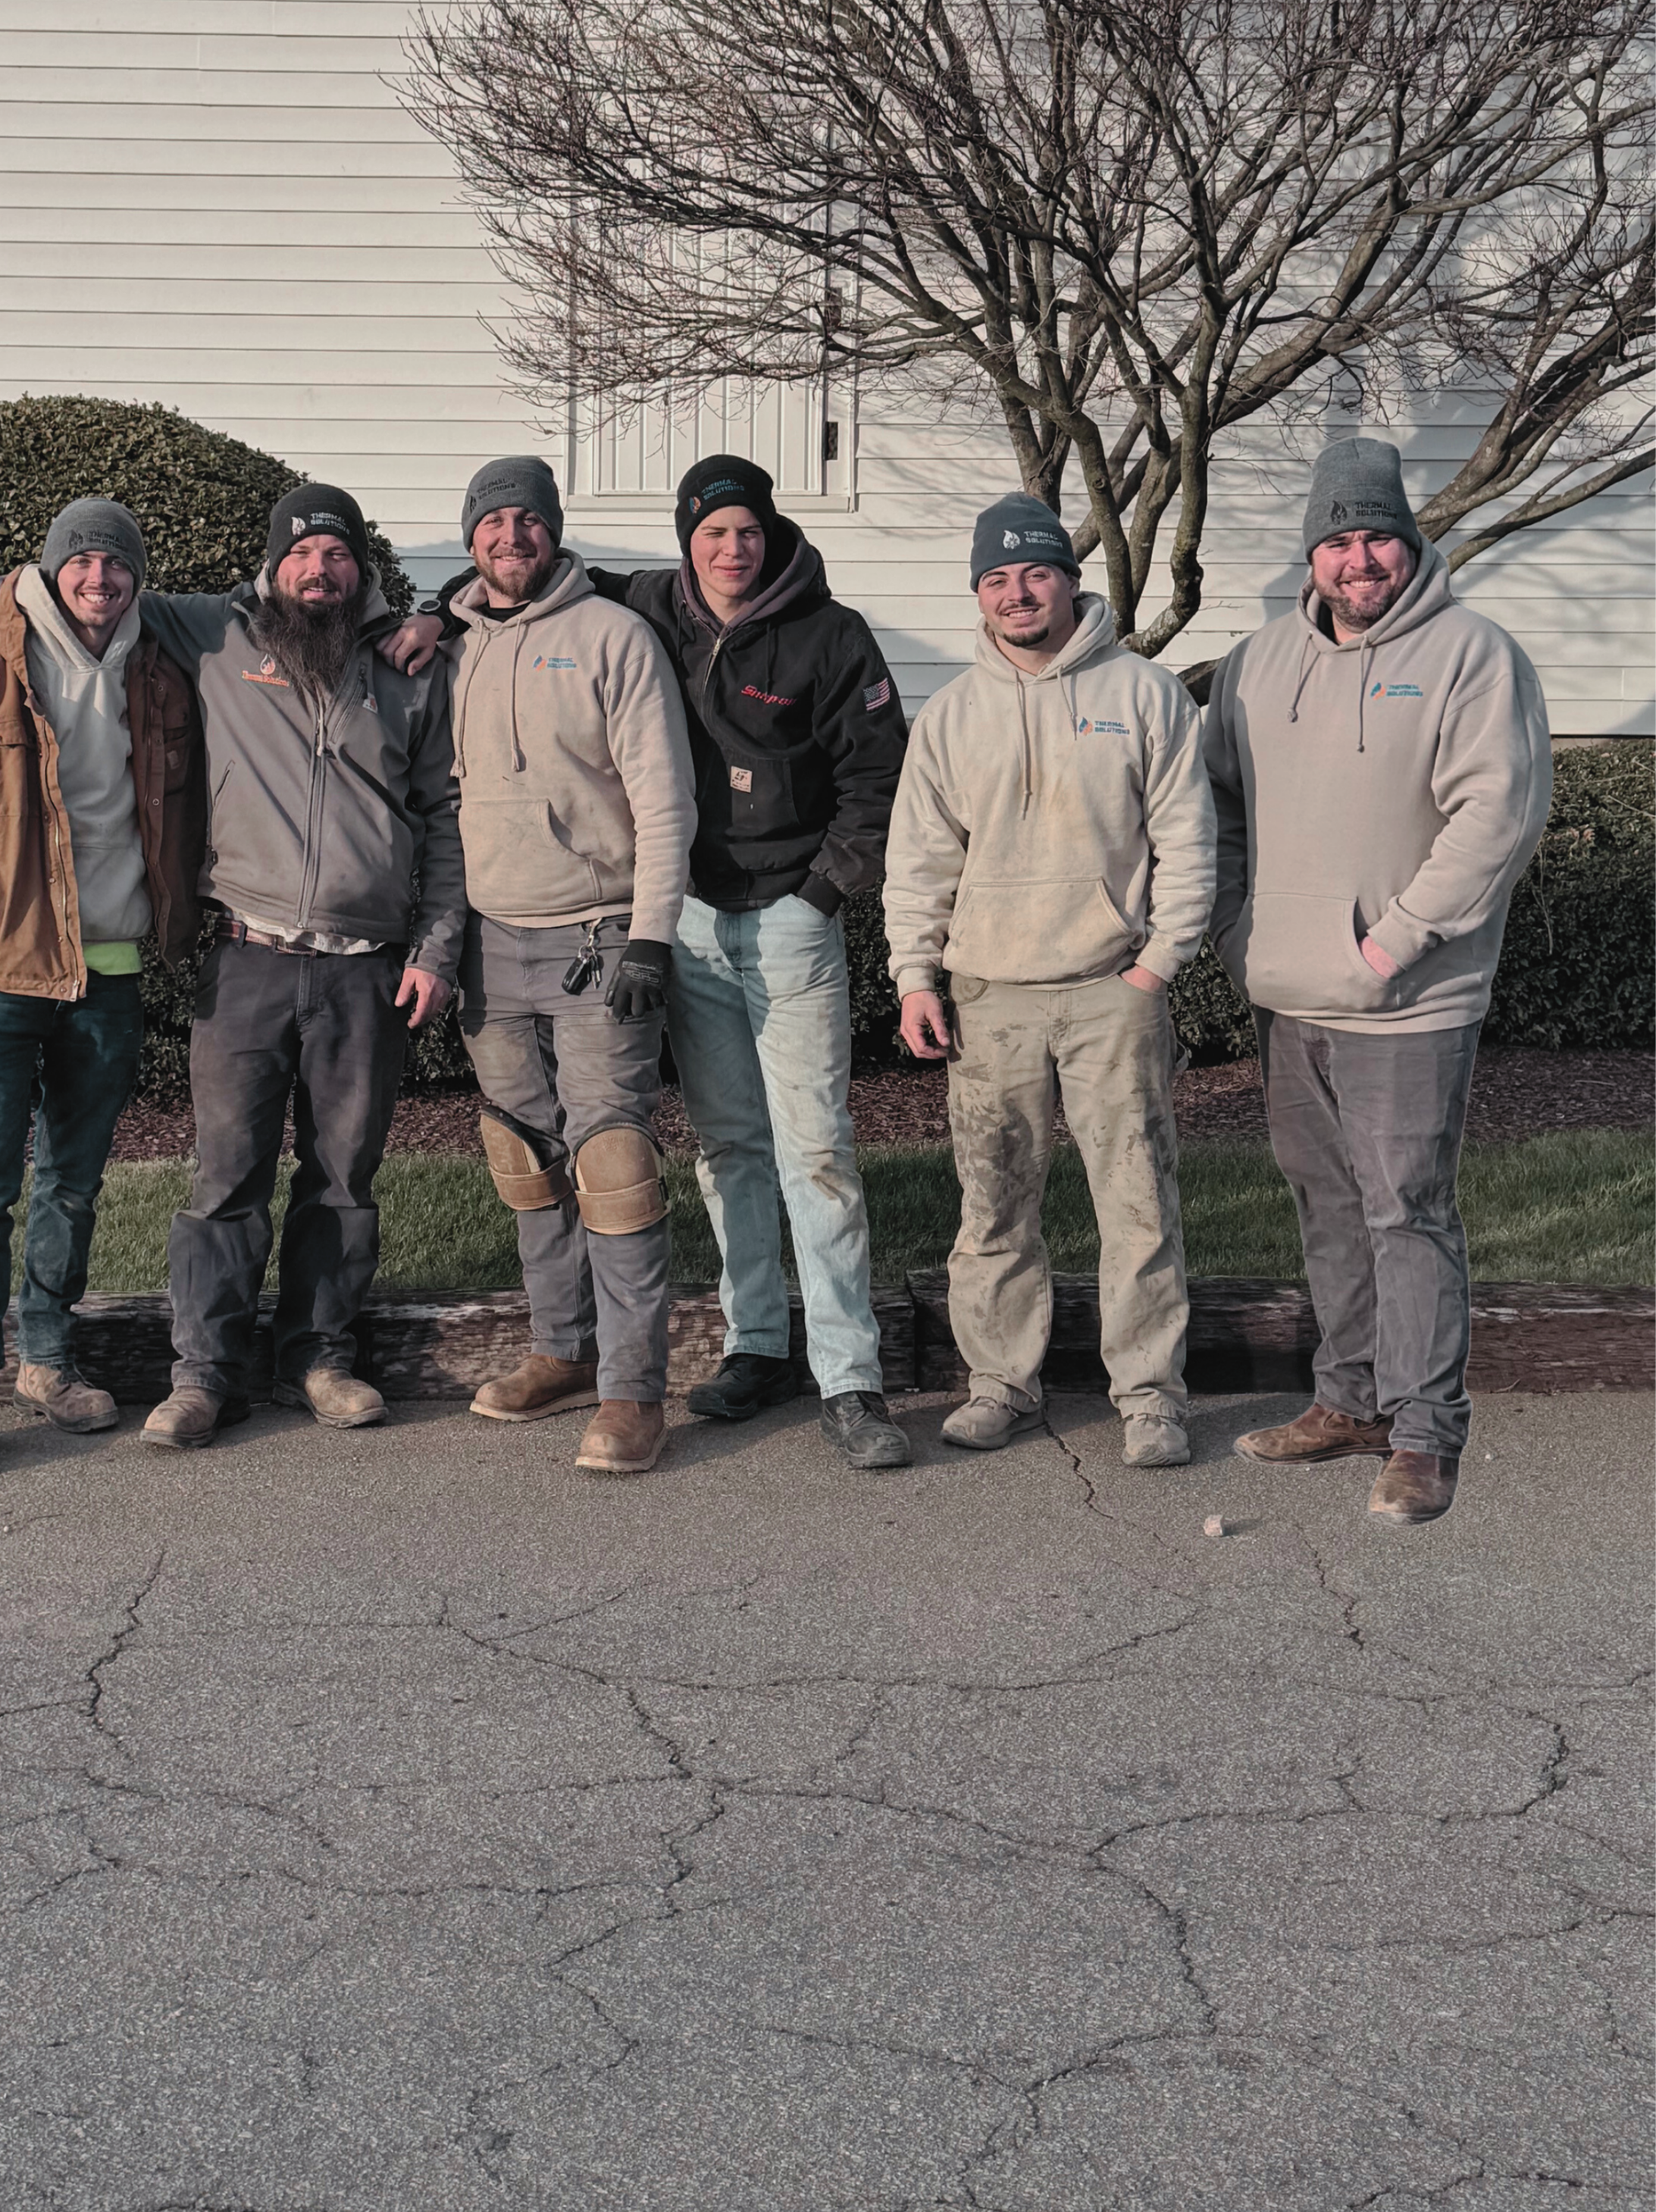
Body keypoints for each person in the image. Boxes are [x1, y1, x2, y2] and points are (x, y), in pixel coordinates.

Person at [403, 453, 912, 1472]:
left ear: (771, 534)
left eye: (747, 530)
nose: (732, 549)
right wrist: (426, 612)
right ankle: (753, 1345)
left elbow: (875, 777)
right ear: (686, 543)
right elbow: (508, 579)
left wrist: (820, 894)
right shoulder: (647, 604)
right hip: (681, 918)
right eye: (712, 532)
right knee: (725, 1147)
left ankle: (846, 1377)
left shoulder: (826, 633)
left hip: (778, 918)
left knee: (810, 1151)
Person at [0, 485, 465, 1447]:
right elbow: (87, 587)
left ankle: (320, 1359)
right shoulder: (213, 630)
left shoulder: (408, 666)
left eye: (337, 555)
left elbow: (446, 819)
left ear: (362, 569)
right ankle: (203, 1376)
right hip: (247, 958)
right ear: (273, 563)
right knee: (224, 1179)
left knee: (343, 1179)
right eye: (301, 553)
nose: (318, 570)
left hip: (366, 966)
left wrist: (435, 949)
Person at [1205, 438, 1551, 1527]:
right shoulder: (1256, 664)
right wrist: (1238, 933)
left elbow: (1497, 817)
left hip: (1409, 1001)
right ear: (1311, 555)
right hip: (1289, 994)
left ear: (1409, 542)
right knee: (1327, 1206)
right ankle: (1348, 1401)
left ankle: (1423, 1433)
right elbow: (1215, 809)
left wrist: (1393, 942)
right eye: (1338, 540)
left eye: (1377, 537)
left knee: (1406, 1211)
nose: (1359, 559)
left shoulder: (1472, 655)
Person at [883, 492, 1216, 1466]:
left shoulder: (1145, 695)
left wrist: (1158, 963)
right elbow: (920, 860)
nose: (1017, 593)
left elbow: (1189, 839)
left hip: (1114, 989)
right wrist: (915, 977)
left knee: (1137, 1200)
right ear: (978, 594)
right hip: (990, 995)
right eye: (996, 579)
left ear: (1070, 582)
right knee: (993, 1203)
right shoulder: (951, 715)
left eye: (1035, 573)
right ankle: (1001, 1383)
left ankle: (1149, 1396)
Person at [0, 499, 205, 1477]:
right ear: (52, 572)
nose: (100, 580)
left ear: (137, 577)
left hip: (110, 971)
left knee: (72, 1184)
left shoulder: (161, 669)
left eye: (117, 565)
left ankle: (48, 1359)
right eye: (82, 564)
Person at [441, 456, 696, 1475]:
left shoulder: (613, 637)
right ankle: (561, 1349)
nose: (512, 536)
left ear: (554, 531)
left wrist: (652, 935)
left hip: (599, 936)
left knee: (613, 1162)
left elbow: (665, 798)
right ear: (471, 536)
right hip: (488, 941)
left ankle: (633, 1391)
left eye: (530, 520)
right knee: (523, 1157)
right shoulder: (449, 644)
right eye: (494, 521)